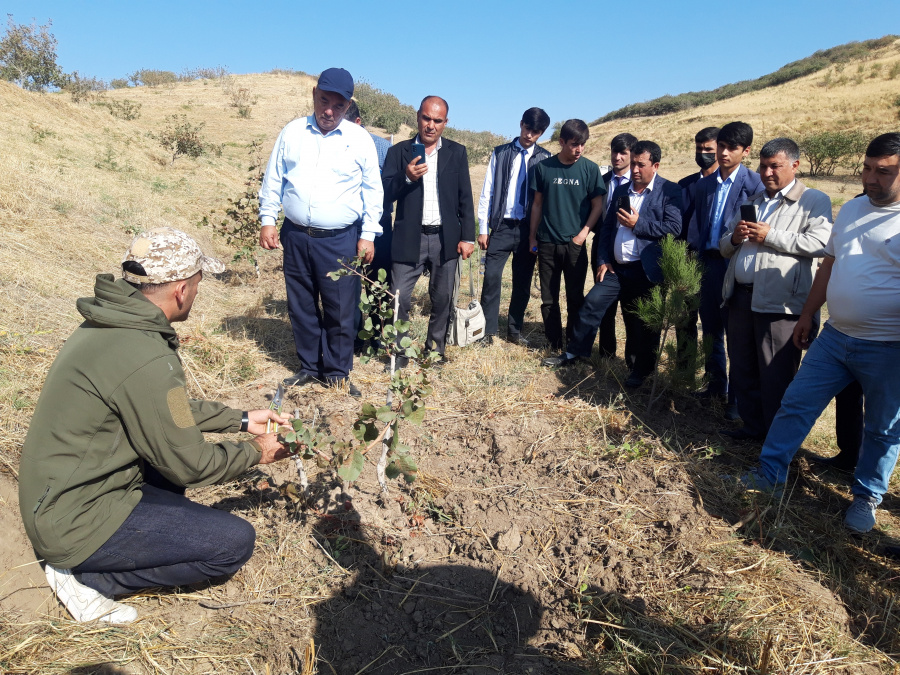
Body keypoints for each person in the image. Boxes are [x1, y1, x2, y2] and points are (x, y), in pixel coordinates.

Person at [18, 228, 292, 624]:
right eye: (198, 283)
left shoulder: (112, 322)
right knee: (232, 544)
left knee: (168, 473)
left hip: (59, 496)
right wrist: (258, 451)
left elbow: (165, 407)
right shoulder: (144, 354)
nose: (197, 292)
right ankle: (87, 577)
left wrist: (243, 420)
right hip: (73, 523)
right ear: (181, 290)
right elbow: (191, 465)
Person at [742, 133, 900, 534]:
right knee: (796, 403)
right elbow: (828, 265)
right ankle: (769, 475)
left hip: (888, 347)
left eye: (883, 172)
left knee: (882, 428)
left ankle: (866, 498)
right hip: (835, 336)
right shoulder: (851, 209)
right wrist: (808, 314)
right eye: (867, 168)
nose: (870, 178)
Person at [258, 67, 384, 397]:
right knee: (301, 304)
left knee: (341, 309)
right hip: (296, 235)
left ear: (348, 106)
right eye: (324, 101)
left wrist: (368, 233)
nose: (329, 111)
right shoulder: (293, 132)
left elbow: (373, 190)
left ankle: (338, 372)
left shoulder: (359, 140)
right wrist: (268, 219)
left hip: (341, 240)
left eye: (338, 106)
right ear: (314, 94)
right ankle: (309, 368)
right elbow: (274, 178)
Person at [542, 140, 683, 388]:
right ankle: (576, 352)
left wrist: (638, 225)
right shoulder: (622, 191)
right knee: (592, 303)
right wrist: (604, 259)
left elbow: (674, 228)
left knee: (640, 324)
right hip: (617, 269)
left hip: (645, 271)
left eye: (641, 165)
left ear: (656, 166)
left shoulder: (669, 191)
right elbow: (607, 228)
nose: (635, 169)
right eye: (634, 164)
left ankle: (639, 371)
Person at [718, 138, 832, 441]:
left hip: (780, 305)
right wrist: (735, 238)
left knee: (776, 376)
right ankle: (753, 429)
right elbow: (724, 246)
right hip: (741, 298)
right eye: (763, 166)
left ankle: (776, 444)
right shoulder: (752, 201)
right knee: (743, 370)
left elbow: (821, 244)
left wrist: (770, 235)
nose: (767, 172)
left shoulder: (813, 200)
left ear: (794, 165)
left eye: (775, 166)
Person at [382, 95, 476, 364]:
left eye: (437, 120)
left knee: (443, 298)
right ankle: (398, 354)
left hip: (445, 239)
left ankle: (435, 351)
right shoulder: (398, 152)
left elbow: (465, 199)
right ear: (417, 117)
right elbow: (386, 193)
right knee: (398, 298)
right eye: (426, 118)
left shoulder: (456, 153)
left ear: (446, 122)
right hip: (408, 238)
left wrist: (467, 237)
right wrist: (406, 177)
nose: (431, 125)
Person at [686, 122, 763, 415]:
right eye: (722, 146)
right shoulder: (705, 185)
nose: (724, 153)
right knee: (711, 329)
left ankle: (737, 402)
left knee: (738, 335)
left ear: (746, 151)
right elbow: (701, 226)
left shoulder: (754, 184)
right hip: (708, 263)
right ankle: (716, 385)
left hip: (736, 266)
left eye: (732, 148)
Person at [528, 119, 606, 350]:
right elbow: (537, 205)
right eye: (574, 144)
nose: (579, 149)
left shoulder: (590, 169)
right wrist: (533, 237)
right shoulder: (544, 168)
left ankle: (574, 344)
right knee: (548, 299)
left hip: (575, 244)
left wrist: (582, 235)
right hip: (547, 243)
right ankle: (553, 343)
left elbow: (597, 206)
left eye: (583, 144)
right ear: (561, 142)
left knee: (575, 297)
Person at [477, 107, 551, 346]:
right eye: (528, 128)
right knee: (491, 278)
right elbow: (487, 191)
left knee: (522, 283)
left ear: (542, 133)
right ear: (521, 124)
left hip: (527, 231)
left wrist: (538, 234)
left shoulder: (546, 159)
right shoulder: (500, 153)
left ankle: (514, 331)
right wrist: (482, 228)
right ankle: (487, 331)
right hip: (500, 226)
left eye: (536, 131)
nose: (530, 135)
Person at [343, 100, 394, 353]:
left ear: (358, 123)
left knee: (377, 283)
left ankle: (376, 335)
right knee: (350, 282)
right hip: (347, 226)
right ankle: (353, 338)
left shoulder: (383, 148)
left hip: (379, 226)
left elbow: (390, 189)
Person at [675, 126, 720, 371]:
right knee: (684, 322)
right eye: (699, 148)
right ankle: (684, 374)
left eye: (708, 149)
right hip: (685, 261)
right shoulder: (685, 185)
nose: (703, 153)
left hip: (715, 263)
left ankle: (715, 384)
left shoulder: (723, 185)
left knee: (713, 328)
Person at [595, 133, 638, 359]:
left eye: (624, 153)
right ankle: (606, 353)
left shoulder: (638, 182)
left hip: (630, 253)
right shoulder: (602, 180)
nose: (618, 157)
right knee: (604, 305)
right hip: (602, 250)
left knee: (631, 309)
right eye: (615, 151)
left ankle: (632, 359)